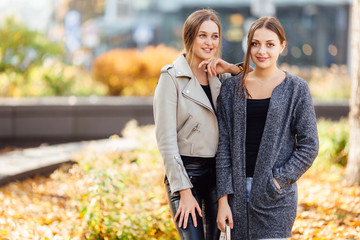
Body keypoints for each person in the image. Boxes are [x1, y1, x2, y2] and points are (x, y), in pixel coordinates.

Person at [215, 16, 319, 240]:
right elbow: (223, 146)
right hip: (235, 197)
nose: (262, 51)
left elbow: (309, 145)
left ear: (282, 46)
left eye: (270, 44)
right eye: (255, 43)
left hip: (276, 200)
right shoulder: (232, 88)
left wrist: (277, 181)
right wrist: (223, 199)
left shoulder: (296, 88)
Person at [153, 9, 242, 240]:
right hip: (186, 174)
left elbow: (255, 87)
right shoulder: (170, 78)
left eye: (215, 36)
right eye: (203, 35)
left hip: (219, 176)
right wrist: (183, 191)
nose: (210, 42)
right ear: (190, 37)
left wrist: (232, 69)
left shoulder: (220, 77)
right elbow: (166, 141)